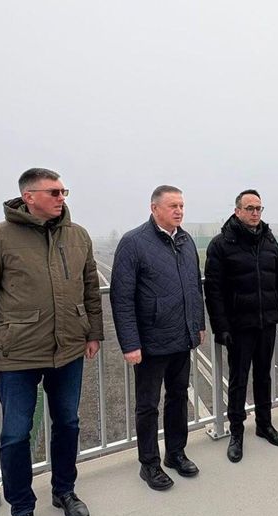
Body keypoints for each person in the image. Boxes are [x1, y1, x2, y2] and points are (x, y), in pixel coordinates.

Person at [0, 167, 103, 516]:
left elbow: (90, 287)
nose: (63, 197)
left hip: (69, 349)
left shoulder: (78, 236)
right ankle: (22, 510)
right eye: (55, 191)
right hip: (17, 354)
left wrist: (93, 332)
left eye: (64, 191)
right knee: (15, 434)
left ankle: (65, 491)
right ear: (29, 196)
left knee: (68, 423)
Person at [110, 185, 206, 490]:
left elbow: (194, 288)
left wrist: (198, 324)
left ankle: (176, 453)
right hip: (151, 342)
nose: (179, 211)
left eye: (182, 205)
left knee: (178, 398)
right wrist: (130, 343)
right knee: (148, 405)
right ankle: (149, 463)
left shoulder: (186, 240)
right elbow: (121, 297)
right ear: (154, 209)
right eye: (172, 206)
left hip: (182, 337)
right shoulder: (134, 243)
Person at [204, 189, 278, 462]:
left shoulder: (269, 240)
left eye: (259, 208)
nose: (255, 213)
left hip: (266, 321)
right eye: (250, 208)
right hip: (239, 325)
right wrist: (222, 327)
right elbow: (214, 291)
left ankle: (265, 425)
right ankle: (237, 433)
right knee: (239, 380)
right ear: (237, 211)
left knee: (264, 376)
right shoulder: (221, 244)